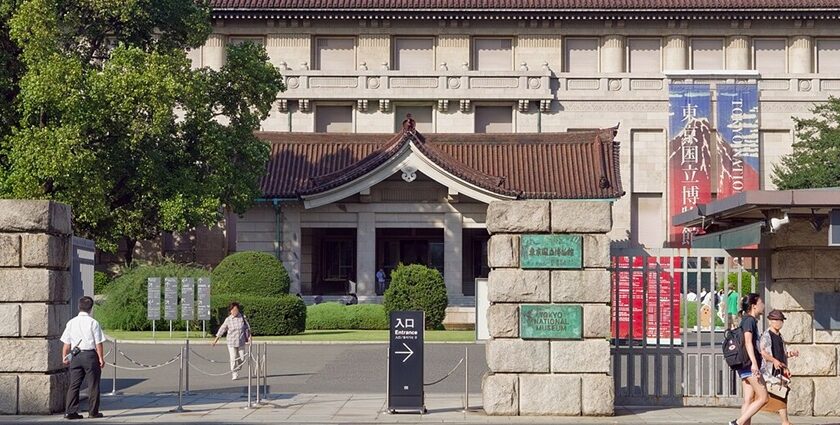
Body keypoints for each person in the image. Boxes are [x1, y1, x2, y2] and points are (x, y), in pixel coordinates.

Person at [60, 296, 106, 420]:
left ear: (78, 307)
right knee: (93, 384)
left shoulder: (71, 322)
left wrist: (65, 356)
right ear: (91, 308)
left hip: (76, 355)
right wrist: (101, 358)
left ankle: (70, 411)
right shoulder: (93, 322)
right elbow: (98, 343)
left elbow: (66, 343)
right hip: (90, 355)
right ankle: (93, 412)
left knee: (74, 384)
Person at [728, 293, 768, 425]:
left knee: (749, 399)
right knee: (763, 397)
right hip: (750, 364)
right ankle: (738, 423)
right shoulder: (749, 320)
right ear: (754, 306)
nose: (763, 305)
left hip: (744, 365)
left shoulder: (746, 319)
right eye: (761, 303)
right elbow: (748, 342)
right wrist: (755, 364)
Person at [759, 310, 800, 425]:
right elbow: (763, 353)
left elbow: (782, 353)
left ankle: (785, 421)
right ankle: (745, 417)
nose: (780, 323)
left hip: (779, 369)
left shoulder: (779, 336)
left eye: (781, 320)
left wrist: (791, 354)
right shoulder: (767, 336)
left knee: (782, 394)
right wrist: (774, 361)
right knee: (763, 397)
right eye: (778, 320)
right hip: (770, 370)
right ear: (771, 321)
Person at [212, 302, 251, 380]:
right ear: (230, 311)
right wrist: (215, 340)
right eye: (233, 310)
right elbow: (222, 329)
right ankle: (234, 373)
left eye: (236, 310)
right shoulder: (228, 319)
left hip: (241, 342)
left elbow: (247, 328)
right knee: (233, 358)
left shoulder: (242, 317)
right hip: (231, 342)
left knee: (242, 358)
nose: (235, 311)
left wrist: (250, 338)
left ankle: (238, 368)